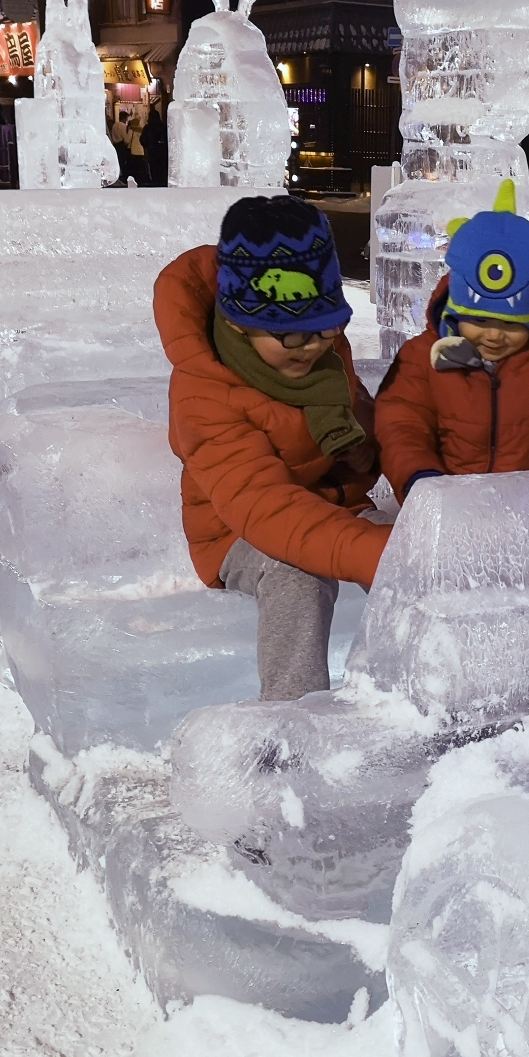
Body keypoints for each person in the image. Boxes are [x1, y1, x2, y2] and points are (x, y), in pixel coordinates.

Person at [156, 196, 388, 701]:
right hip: (237, 530)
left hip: (334, 503)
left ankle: (411, 694)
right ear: (239, 321)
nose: (313, 346)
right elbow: (265, 510)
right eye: (291, 336)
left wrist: (382, 443)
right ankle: (289, 722)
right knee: (297, 577)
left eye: (327, 328)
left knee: (420, 546)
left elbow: (357, 413)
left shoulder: (317, 352)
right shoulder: (204, 392)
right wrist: (375, 554)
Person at [375, 179, 529, 501]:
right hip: (451, 505)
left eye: (512, 323)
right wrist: (418, 475)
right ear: (455, 311)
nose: (494, 334)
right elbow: (400, 421)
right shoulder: (422, 357)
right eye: (479, 320)